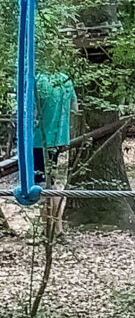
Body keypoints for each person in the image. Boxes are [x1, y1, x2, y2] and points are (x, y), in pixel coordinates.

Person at [34, 71, 78, 237]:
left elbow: (31, 113)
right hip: (61, 140)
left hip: (40, 141)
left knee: (42, 185)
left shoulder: (36, 79)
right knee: (57, 185)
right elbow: (75, 107)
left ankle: (48, 229)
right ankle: (58, 228)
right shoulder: (65, 78)